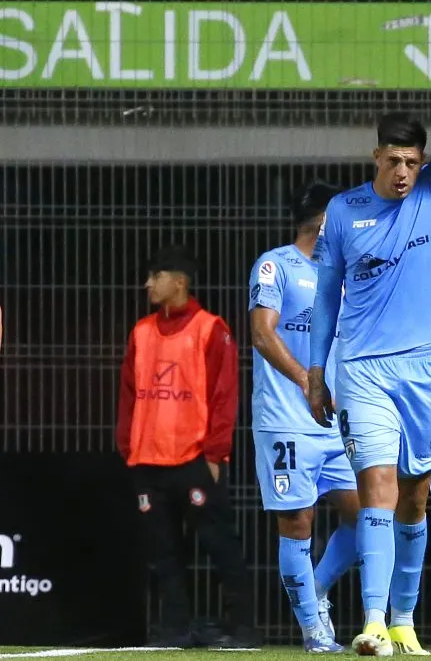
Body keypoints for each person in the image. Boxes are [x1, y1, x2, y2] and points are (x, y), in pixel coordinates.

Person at [305, 0, 431, 657]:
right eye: (395, 161)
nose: (405, 172)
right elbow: (327, 298)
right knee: (376, 483)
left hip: (427, 365)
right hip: (363, 367)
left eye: (414, 161)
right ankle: (373, 621)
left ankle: (404, 617)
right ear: (375, 156)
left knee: (417, 497)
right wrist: (318, 371)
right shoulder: (344, 213)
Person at [115, 245, 258, 649]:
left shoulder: (211, 328)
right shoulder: (141, 331)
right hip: (146, 460)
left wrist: (215, 453)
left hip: (193, 458)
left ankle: (243, 629)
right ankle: (175, 630)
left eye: (155, 276)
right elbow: (128, 394)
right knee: (162, 552)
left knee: (218, 544)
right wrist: (128, 447)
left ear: (178, 281)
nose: (147, 284)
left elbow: (224, 394)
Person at [249, 180, 360, 653]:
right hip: (286, 418)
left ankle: (315, 589)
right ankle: (314, 632)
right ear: (325, 222)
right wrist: (303, 377)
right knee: (298, 523)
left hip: (337, 420)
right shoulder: (277, 266)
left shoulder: (347, 275)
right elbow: (261, 333)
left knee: (370, 514)